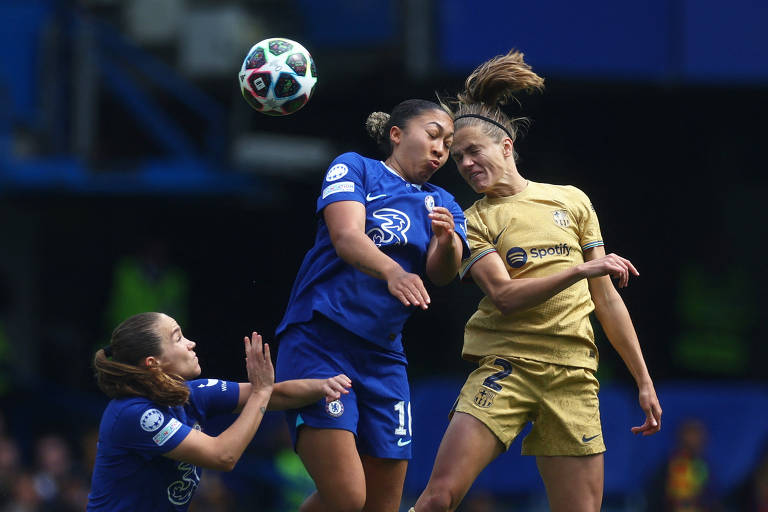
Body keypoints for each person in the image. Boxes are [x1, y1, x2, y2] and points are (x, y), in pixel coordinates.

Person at [410, 50, 663, 512]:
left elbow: (606, 302)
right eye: (457, 157)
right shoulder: (473, 221)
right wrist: (581, 270)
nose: (465, 164)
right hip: (507, 367)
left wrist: (643, 380)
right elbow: (505, 296)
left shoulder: (570, 201)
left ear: (505, 146)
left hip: (573, 376)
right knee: (439, 498)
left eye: (473, 151)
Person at [274, 99, 469, 512]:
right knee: (347, 498)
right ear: (396, 135)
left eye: (447, 145)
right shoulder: (355, 167)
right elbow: (346, 237)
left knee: (382, 505)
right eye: (433, 135)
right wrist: (393, 272)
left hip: (383, 358)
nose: (440, 150)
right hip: (320, 341)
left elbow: (440, 273)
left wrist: (448, 240)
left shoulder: (444, 202)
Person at [86, 312, 351, 511]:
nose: (191, 343)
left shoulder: (192, 394)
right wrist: (260, 392)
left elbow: (275, 392)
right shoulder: (135, 415)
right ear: (153, 365)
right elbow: (224, 455)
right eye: (178, 338)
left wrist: (327, 384)